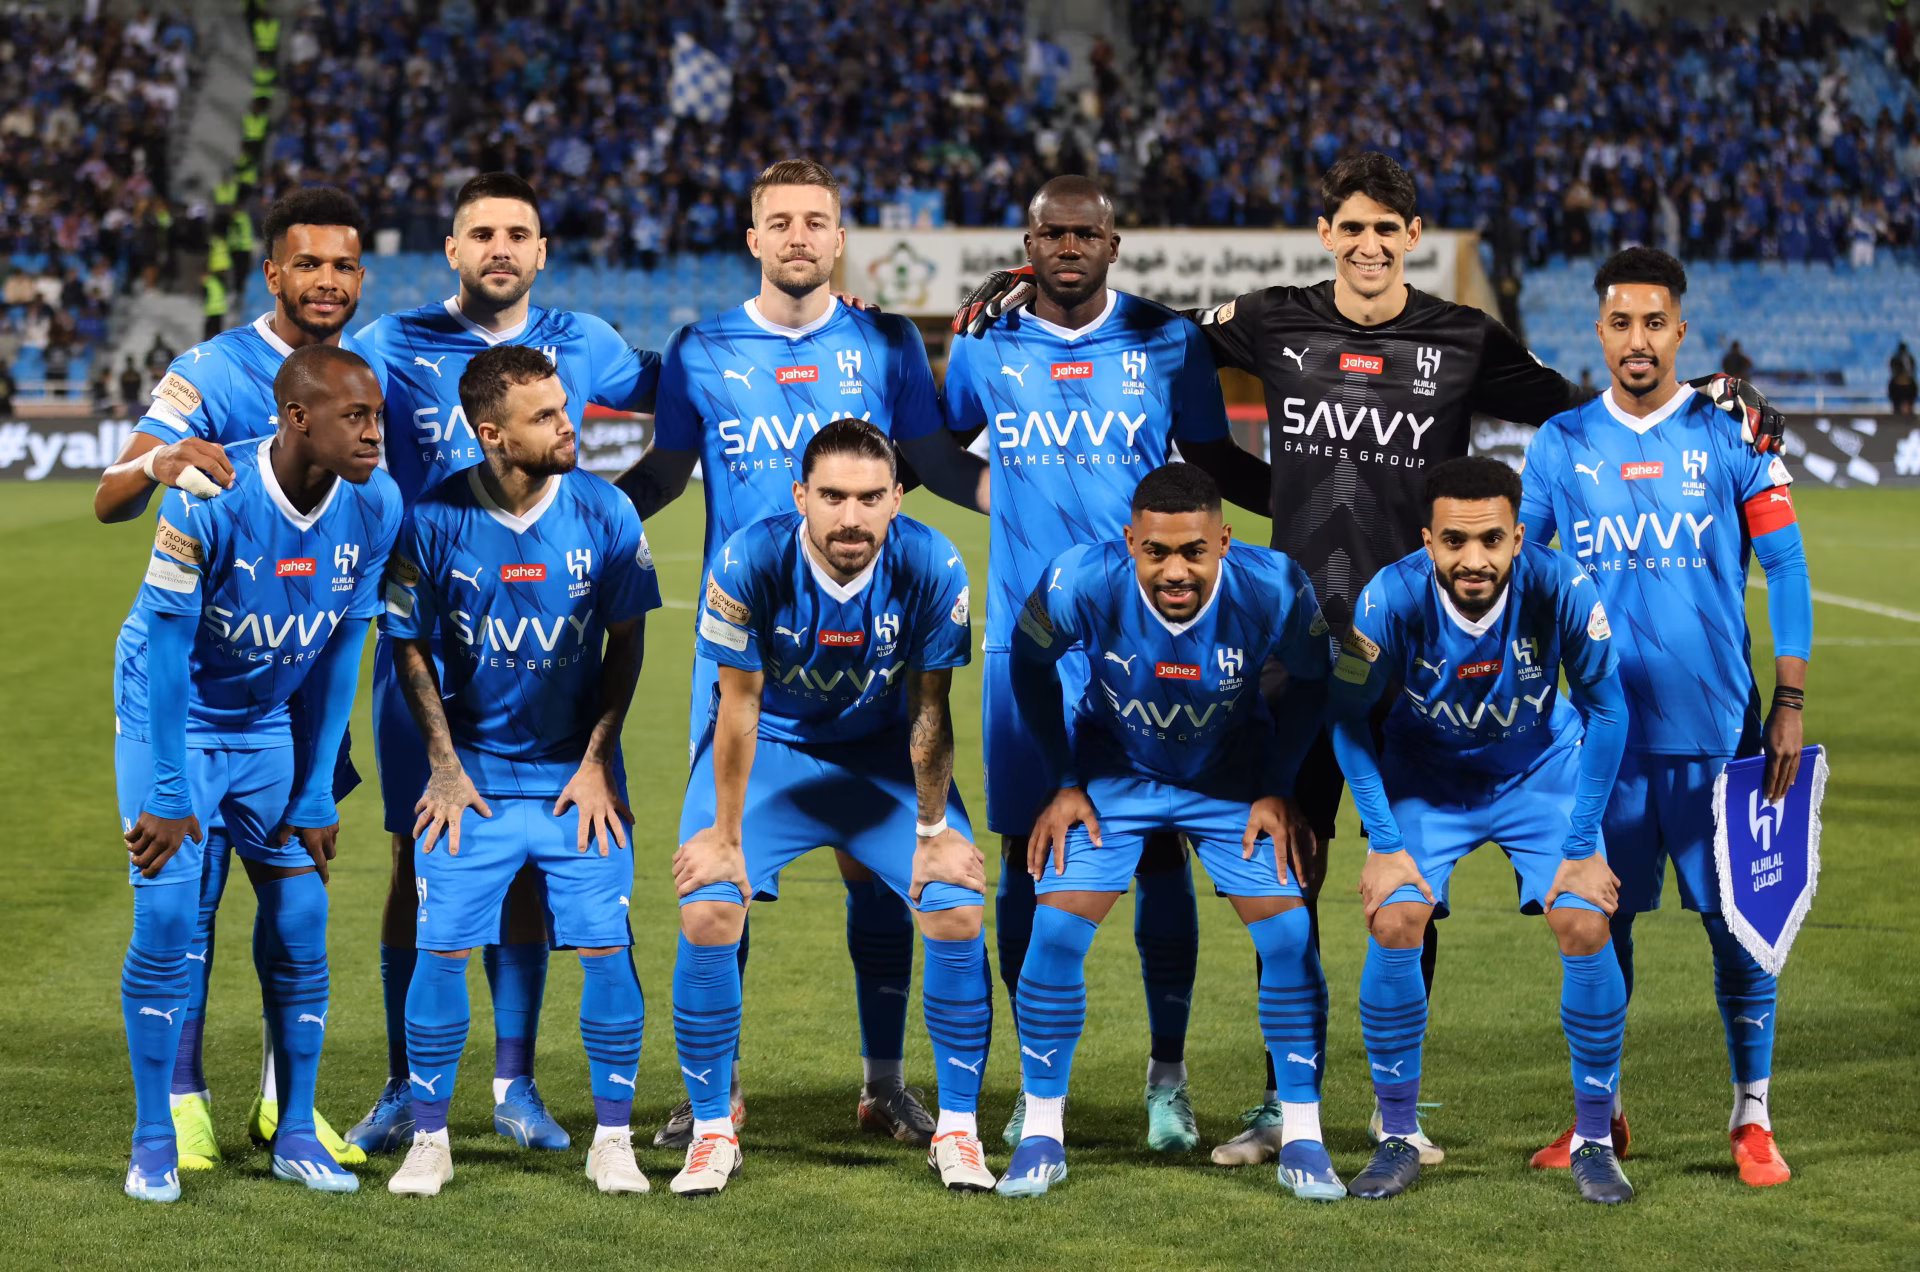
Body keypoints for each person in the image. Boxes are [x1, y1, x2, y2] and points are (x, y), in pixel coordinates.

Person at [953, 151, 1784, 1167]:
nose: (1367, 245)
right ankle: (1275, 1103)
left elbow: (1578, 405)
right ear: (1326, 232)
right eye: (1351, 227)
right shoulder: (1270, 318)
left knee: (1409, 886)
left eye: (1386, 230)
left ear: (1412, 237)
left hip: (1411, 657)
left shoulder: (1461, 338)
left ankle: (1407, 1115)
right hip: (1290, 656)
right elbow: (1161, 330)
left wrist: (1705, 393)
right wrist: (1034, 282)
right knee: (1281, 874)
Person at [617, 159, 990, 1150]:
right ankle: (719, 1093)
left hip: (869, 652)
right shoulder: (700, 347)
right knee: (719, 866)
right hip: (742, 659)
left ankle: (883, 1085)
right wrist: (584, 515)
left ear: (839, 238)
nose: (796, 236)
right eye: (777, 220)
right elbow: (662, 466)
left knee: (887, 874)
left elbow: (934, 459)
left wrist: (1019, 492)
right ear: (752, 238)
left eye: (814, 221)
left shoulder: (886, 338)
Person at [942, 174, 1274, 1151]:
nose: (1071, 247)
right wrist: (997, 500)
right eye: (1055, 234)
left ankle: (1166, 1079)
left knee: (1161, 846)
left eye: (1088, 233)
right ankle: (1026, 1078)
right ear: (1030, 242)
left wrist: (1321, 500)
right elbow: (928, 440)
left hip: (1149, 637)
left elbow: (1212, 462)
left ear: (1115, 243)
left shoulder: (1168, 342)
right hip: (1023, 637)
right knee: (1024, 851)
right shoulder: (985, 338)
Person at [345, 171, 663, 1157]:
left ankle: (515, 1086)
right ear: (449, 249)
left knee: (530, 867)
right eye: (480, 232)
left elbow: (681, 388)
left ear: (542, 251)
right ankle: (407, 1081)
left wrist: (604, 537)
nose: (500, 248)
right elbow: (308, 410)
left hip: (546, 647)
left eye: (517, 233)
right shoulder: (389, 345)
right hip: (431, 642)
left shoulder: (589, 344)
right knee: (416, 859)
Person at [93, 184, 379, 1172]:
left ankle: (281, 1106)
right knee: (190, 891)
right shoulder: (210, 369)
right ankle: (179, 1101)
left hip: (302, 662)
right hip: (204, 655)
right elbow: (108, 496)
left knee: (299, 892)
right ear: (273, 272)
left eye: (344, 264)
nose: (328, 281)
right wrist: (163, 462)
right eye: (309, 263)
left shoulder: (364, 375)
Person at [1518, 247, 1812, 1188]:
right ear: (1598, 332)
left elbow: (1790, 570)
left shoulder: (1732, 436)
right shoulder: (1560, 444)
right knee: (1600, 929)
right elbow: (1528, 578)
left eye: (1654, 323)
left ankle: (1752, 1119)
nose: (1637, 340)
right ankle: (1597, 1120)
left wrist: (1791, 701)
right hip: (1603, 745)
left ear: (1679, 332)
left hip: (1722, 736)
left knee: (1742, 933)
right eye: (1620, 323)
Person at [667, 419, 995, 1196]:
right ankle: (713, 1129)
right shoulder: (750, 558)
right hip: (774, 748)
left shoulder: (931, 561)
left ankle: (957, 1130)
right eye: (834, 497)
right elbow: (737, 707)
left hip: (878, 754)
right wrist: (722, 832)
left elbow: (930, 709)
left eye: (871, 497)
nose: (852, 517)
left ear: (897, 499)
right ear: (801, 497)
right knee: (710, 905)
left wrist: (931, 830)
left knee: (953, 900)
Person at [997, 464, 1338, 1201]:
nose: (1175, 569)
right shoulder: (1076, 581)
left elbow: (1314, 683)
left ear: (1224, 540)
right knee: (1054, 933)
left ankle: (1304, 1138)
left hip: (1232, 781)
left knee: (1287, 938)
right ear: (1130, 543)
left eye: (1193, 551)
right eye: (1156, 552)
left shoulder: (1276, 586)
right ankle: (1042, 1135)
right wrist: (1061, 780)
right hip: (1113, 776)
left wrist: (1279, 786)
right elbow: (1028, 667)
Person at [1331, 455, 1633, 1205]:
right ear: (1428, 540)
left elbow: (1608, 712)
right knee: (1397, 916)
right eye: (1456, 541)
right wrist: (1383, 839)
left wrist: (1581, 845)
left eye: (1492, 540)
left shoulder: (1560, 586)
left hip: (1538, 770)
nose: (1475, 558)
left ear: (1518, 536)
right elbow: (1345, 719)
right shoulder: (1387, 600)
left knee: (1585, 921)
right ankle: (1398, 1133)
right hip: (1427, 776)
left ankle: (1595, 1138)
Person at [1889, 339, 1916, 415]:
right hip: (1908, 384)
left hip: (1898, 384)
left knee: (1897, 406)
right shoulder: (1910, 357)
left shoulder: (1895, 357)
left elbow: (1892, 370)